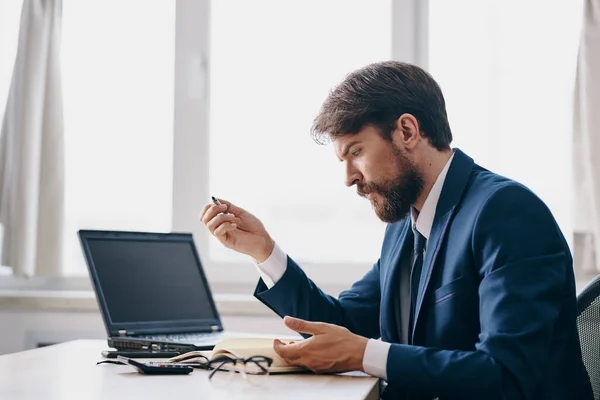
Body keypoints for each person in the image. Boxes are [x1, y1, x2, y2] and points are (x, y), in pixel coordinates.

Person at [199, 61, 593, 399]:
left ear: (407, 131)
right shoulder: (406, 225)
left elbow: (507, 376)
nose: (349, 179)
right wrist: (264, 252)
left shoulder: (506, 212)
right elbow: (344, 326)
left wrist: (365, 354)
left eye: (356, 152)